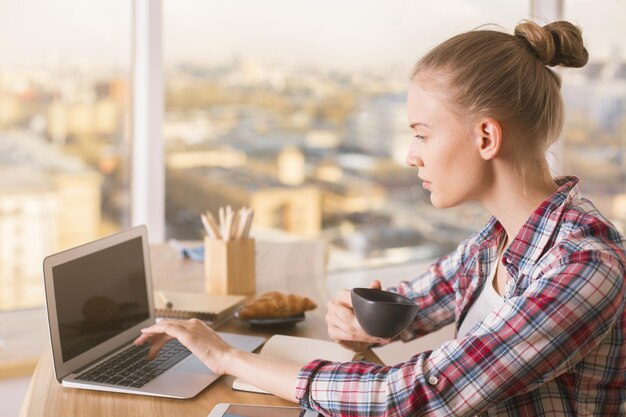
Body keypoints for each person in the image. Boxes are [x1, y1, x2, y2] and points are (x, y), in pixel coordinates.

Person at [134, 20, 625, 416]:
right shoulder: (496, 242)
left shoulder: (584, 267)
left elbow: (414, 396)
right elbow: (413, 303)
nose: (411, 156)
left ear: (486, 138)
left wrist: (225, 356)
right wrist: (359, 317)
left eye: (422, 134)